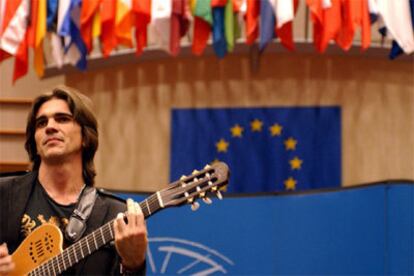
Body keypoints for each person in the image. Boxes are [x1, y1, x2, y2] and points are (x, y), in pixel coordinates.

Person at [0, 85, 147, 275]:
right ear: (34, 142)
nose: (50, 127)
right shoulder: (4, 194)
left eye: (62, 119)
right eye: (41, 123)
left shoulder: (116, 215)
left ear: (85, 136)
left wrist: (133, 264)